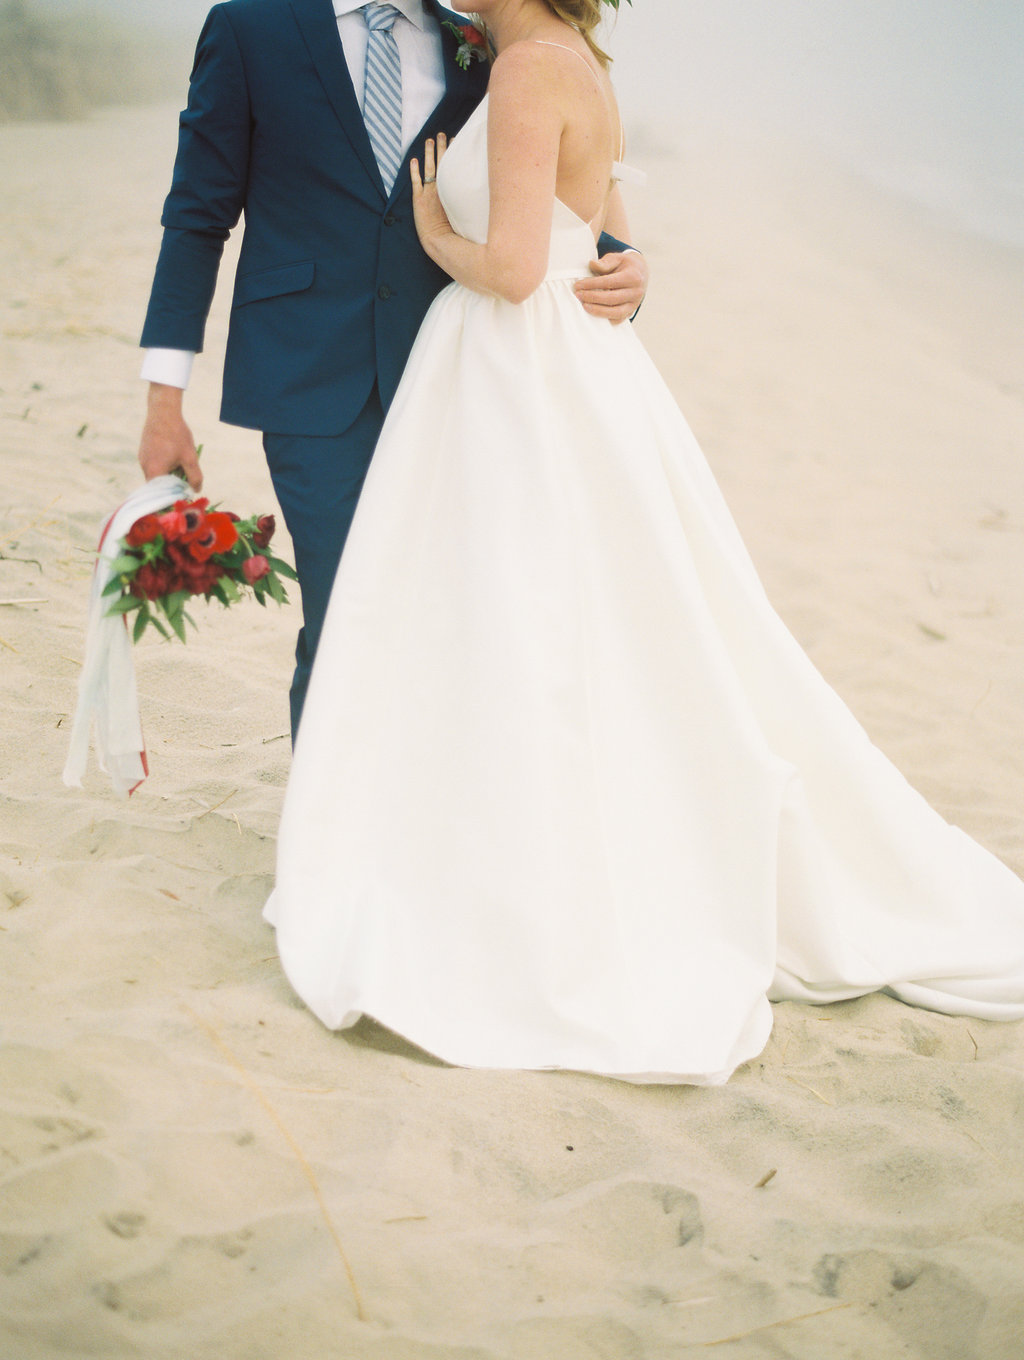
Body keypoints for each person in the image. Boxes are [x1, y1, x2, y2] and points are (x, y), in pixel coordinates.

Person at [264, 0, 1024, 1085]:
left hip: (516, 369)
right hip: (558, 371)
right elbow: (605, 225)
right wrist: (629, 264)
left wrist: (436, 229)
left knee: (522, 616)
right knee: (585, 616)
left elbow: (520, 267)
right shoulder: (561, 59)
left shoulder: (528, 67)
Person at [136, 0, 648, 735]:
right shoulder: (249, 28)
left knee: (450, 619)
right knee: (344, 610)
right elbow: (195, 218)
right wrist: (164, 400)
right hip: (307, 380)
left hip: (463, 383)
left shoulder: (481, 42)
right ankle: (324, 834)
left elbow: (559, 197)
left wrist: (632, 271)